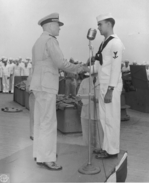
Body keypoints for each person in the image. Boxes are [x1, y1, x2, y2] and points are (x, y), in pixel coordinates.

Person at [30, 13, 86, 170]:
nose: (59, 28)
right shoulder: (50, 41)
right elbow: (61, 63)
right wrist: (81, 68)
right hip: (47, 86)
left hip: (38, 86)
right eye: (57, 25)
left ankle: (39, 154)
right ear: (48, 26)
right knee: (48, 122)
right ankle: (48, 158)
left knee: (40, 122)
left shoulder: (37, 42)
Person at [89, 13, 125, 158]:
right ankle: (106, 147)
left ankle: (113, 150)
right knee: (104, 118)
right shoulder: (104, 43)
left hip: (112, 87)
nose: (98, 27)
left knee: (112, 119)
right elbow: (99, 66)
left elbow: (116, 68)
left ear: (109, 24)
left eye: (100, 24)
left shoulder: (116, 43)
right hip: (102, 85)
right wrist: (83, 70)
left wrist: (111, 89)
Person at [77, 72, 103, 150]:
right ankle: (87, 153)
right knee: (87, 138)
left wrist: (98, 100)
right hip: (86, 113)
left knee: (99, 138)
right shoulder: (84, 81)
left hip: (98, 114)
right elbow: (78, 95)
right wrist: (88, 98)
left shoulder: (103, 81)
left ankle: (99, 150)